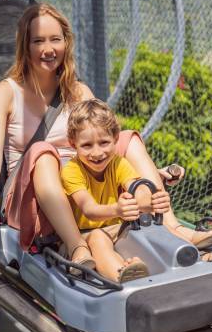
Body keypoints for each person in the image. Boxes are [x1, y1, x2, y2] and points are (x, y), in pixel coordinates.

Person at [0, 2, 212, 269]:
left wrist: (149, 172)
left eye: (55, 39)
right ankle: (77, 245)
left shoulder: (78, 92)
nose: (47, 49)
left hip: (83, 190)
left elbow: (105, 144)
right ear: (25, 46)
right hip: (33, 197)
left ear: (65, 43)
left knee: (127, 138)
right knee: (44, 152)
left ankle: (172, 226)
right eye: (38, 41)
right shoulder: (6, 92)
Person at [62, 99, 170, 282]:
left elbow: (138, 188)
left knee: (151, 227)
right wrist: (117, 210)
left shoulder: (118, 163)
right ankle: (121, 273)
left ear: (116, 139)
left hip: (118, 228)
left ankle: (192, 256)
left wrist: (152, 201)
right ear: (73, 145)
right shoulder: (71, 171)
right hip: (85, 234)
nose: (97, 153)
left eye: (104, 143)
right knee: (98, 238)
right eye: (87, 145)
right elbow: (89, 209)